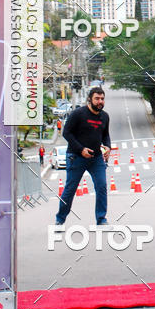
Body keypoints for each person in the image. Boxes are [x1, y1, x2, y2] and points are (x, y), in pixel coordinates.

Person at [55, 86, 111, 226]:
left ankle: (101, 218)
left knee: (102, 186)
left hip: (96, 158)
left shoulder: (105, 116)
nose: (100, 102)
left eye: (102, 99)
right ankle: (60, 219)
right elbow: (66, 133)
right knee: (70, 189)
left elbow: (105, 134)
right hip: (76, 157)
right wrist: (81, 149)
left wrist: (108, 146)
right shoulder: (78, 114)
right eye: (97, 99)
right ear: (90, 100)